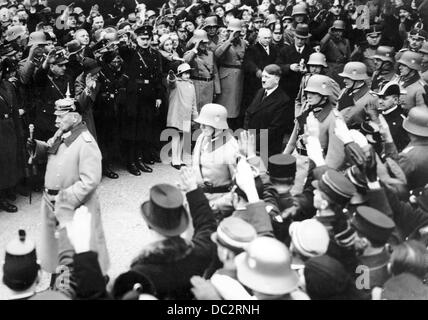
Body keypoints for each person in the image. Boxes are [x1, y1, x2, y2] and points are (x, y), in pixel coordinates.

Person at [27, 95, 110, 277]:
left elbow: (90, 180)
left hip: (72, 206)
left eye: (60, 116)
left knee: (77, 248)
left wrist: (64, 198)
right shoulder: (63, 133)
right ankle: (60, 281)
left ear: (74, 117)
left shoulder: (86, 143)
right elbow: (50, 147)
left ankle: (89, 282)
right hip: (52, 202)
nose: (55, 121)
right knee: (58, 246)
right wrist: (36, 146)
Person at [115, 168, 217, 300]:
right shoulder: (199, 252)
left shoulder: (140, 272)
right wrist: (193, 189)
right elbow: (207, 225)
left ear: (149, 224)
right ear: (181, 221)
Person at [118, 25, 162, 175]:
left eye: (147, 39)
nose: (145, 41)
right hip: (133, 95)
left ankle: (140, 158)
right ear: (136, 39)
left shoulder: (155, 55)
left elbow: (158, 77)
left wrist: (158, 96)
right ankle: (131, 161)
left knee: (144, 128)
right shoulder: (131, 52)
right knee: (132, 130)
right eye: (142, 38)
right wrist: (128, 37)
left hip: (148, 95)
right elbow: (121, 49)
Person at [192, 103, 239, 215]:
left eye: (205, 124)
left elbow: (238, 184)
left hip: (219, 202)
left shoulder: (230, 146)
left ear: (217, 125)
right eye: (201, 123)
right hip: (200, 196)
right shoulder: (202, 137)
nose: (201, 127)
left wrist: (221, 204)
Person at [244, 64, 293, 157]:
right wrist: (247, 133)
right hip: (251, 142)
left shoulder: (283, 100)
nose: (263, 80)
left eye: (267, 77)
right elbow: (249, 112)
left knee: (261, 170)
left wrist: (253, 141)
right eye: (262, 76)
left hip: (267, 149)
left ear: (276, 79)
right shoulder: (260, 92)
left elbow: (274, 129)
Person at [215, 18, 247, 130]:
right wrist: (229, 40)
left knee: (236, 106)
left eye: (236, 32)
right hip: (226, 76)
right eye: (231, 31)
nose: (233, 34)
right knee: (225, 105)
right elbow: (217, 54)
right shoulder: (223, 42)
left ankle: (232, 129)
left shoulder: (243, 43)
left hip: (239, 77)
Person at [166, 63, 198, 170]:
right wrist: (171, 76)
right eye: (185, 73)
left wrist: (195, 116)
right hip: (177, 114)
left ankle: (179, 159)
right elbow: (171, 82)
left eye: (188, 73)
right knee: (176, 137)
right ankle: (175, 160)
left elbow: (194, 102)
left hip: (186, 115)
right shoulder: (177, 84)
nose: (187, 76)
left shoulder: (191, 85)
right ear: (179, 74)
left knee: (183, 138)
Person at [184, 29, 221, 112]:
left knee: (207, 110)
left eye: (205, 42)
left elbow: (214, 71)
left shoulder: (210, 53)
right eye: (201, 43)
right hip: (197, 85)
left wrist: (217, 89)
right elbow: (185, 61)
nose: (203, 45)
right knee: (196, 110)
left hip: (209, 86)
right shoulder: (190, 54)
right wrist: (195, 49)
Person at [276, 23, 313, 103]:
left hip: (304, 89)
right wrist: (289, 67)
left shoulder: (311, 52)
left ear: (306, 39)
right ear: (294, 37)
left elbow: (316, 69)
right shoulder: (285, 51)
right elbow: (278, 66)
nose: (300, 41)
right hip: (288, 88)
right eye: (298, 38)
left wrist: (307, 70)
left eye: (302, 39)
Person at [337, 62, 376, 130]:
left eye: (348, 78)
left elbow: (375, 123)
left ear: (358, 78)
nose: (344, 80)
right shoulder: (344, 91)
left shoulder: (371, 98)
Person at [374, 82, 409, 152]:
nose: (380, 101)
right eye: (379, 97)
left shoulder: (402, 121)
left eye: (384, 98)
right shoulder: (378, 114)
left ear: (395, 100)